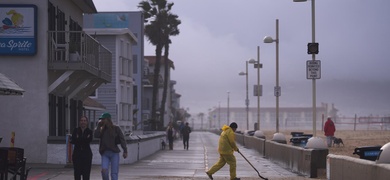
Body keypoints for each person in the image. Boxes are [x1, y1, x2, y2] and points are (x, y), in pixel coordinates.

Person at [94, 112, 128, 180]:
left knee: (114, 173)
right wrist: (98, 125)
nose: (102, 121)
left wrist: (125, 150)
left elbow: (122, 139)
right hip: (105, 153)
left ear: (108, 119)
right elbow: (96, 135)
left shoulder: (116, 128)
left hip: (114, 153)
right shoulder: (102, 129)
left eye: (103, 119)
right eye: (101, 119)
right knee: (104, 171)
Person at [71, 116, 93, 180]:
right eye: (81, 120)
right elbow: (73, 140)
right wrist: (83, 139)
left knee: (86, 174)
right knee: (77, 173)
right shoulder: (75, 130)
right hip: (77, 155)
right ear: (79, 122)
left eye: (84, 120)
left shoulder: (89, 131)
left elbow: (88, 140)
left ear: (87, 122)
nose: (83, 122)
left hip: (87, 155)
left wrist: (79, 139)